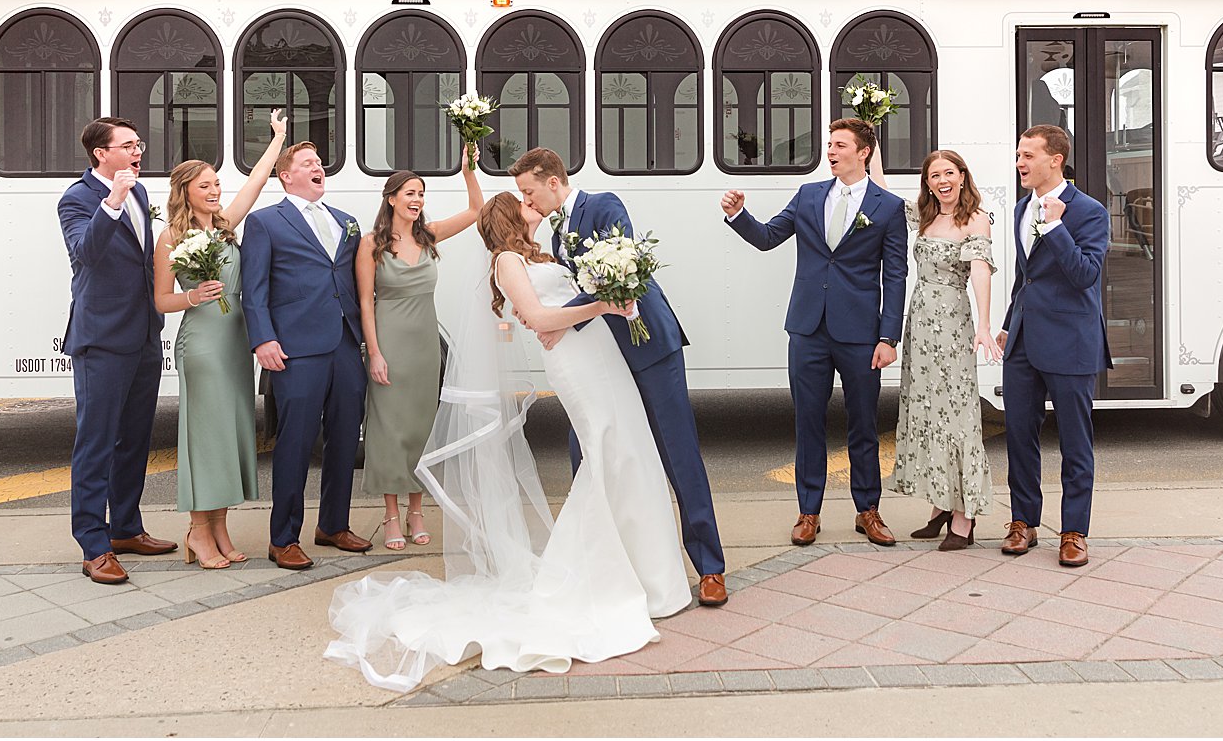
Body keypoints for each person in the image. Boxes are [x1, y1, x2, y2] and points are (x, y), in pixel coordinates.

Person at [324, 192, 690, 692]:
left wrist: (603, 299)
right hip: (577, 366)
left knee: (632, 453)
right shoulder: (508, 261)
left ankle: (652, 577)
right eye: (522, 202)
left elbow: (560, 306)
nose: (531, 203)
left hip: (600, 355)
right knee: (608, 456)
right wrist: (605, 304)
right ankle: (610, 577)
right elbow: (538, 319)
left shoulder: (545, 253)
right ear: (510, 218)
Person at [510, 148, 729, 606]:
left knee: (677, 451)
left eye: (529, 191)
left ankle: (710, 566)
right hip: (602, 361)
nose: (526, 201)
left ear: (553, 181)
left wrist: (560, 320)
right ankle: (609, 559)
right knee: (588, 450)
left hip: (648, 347)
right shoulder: (555, 232)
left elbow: (617, 275)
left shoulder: (604, 205)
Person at [721, 117, 908, 548]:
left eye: (840, 145)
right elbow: (768, 237)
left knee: (863, 425)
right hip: (807, 330)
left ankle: (868, 511)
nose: (830, 151)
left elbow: (895, 276)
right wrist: (737, 216)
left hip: (861, 333)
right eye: (828, 145)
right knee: (808, 422)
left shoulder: (888, 207)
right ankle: (809, 512)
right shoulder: (808, 196)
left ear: (863, 152)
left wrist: (888, 337)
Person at [152, 109, 287, 569]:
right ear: (186, 190)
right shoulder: (171, 237)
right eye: (205, 185)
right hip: (203, 345)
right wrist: (192, 295)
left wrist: (277, 139)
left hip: (235, 343)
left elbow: (258, 182)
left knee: (232, 435)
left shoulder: (226, 227)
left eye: (216, 184)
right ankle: (197, 531)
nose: (215, 191)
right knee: (206, 439)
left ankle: (220, 527)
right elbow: (160, 302)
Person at [57, 117, 176, 585]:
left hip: (144, 332)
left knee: (135, 439)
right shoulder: (78, 199)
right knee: (96, 443)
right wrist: (113, 201)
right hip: (102, 338)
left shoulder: (143, 195)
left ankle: (126, 528)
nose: (137, 151)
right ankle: (93, 544)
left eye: (138, 144)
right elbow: (85, 254)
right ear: (100, 154)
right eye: (128, 145)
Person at [241, 141, 370, 570]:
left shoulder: (346, 222)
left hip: (346, 344)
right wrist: (262, 339)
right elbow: (254, 288)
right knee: (295, 442)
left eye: (320, 163)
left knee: (345, 437)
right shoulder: (264, 222)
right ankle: (283, 538)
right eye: (308, 163)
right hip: (295, 348)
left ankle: (333, 524)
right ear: (286, 175)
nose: (319, 168)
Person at [869, 147, 1000, 551]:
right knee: (926, 409)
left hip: (953, 320)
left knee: (958, 414)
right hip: (920, 320)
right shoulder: (923, 215)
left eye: (948, 173)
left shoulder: (975, 218)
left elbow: (979, 269)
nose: (941, 182)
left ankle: (965, 517)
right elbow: (881, 191)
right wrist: (873, 143)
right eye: (933, 176)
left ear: (962, 175)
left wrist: (983, 325)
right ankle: (940, 504)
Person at [996, 124, 1112, 568]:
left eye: (1028, 155)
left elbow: (1085, 275)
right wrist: (1009, 324)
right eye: (1019, 154)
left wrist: (1056, 225)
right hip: (1023, 340)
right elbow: (1027, 276)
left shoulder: (1090, 212)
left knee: (1075, 443)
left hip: (1070, 341)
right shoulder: (1020, 207)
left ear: (1055, 160)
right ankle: (1023, 522)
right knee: (1019, 437)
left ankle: (1073, 532)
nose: (1020, 162)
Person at [357, 146, 483, 550]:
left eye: (421, 194)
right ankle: (391, 515)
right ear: (392, 198)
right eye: (410, 193)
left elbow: (477, 211)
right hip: (389, 344)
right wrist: (374, 353)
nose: (417, 200)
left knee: (419, 430)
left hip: (425, 346)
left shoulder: (430, 236)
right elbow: (365, 302)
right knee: (388, 431)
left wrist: (468, 172)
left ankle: (417, 511)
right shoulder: (371, 244)